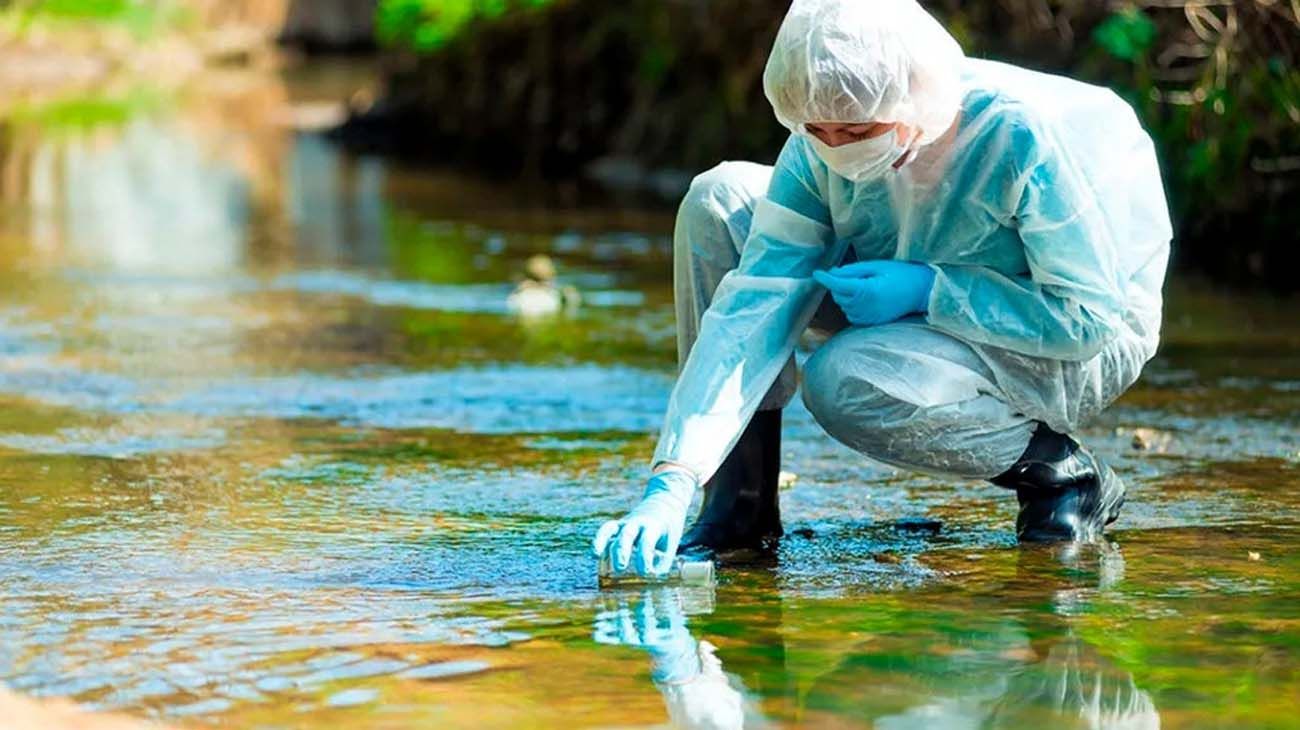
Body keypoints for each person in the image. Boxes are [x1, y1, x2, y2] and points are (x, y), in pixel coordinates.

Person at [594, 0, 1171, 577]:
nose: (838, 148)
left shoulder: (1016, 137)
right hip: (895, 274)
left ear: (914, 103)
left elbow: (1085, 317)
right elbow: (757, 300)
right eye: (818, 131)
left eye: (857, 131)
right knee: (720, 201)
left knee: (840, 379)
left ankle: (1059, 474)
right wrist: (673, 475)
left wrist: (932, 290)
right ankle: (738, 507)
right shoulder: (821, 138)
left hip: (1064, 333)